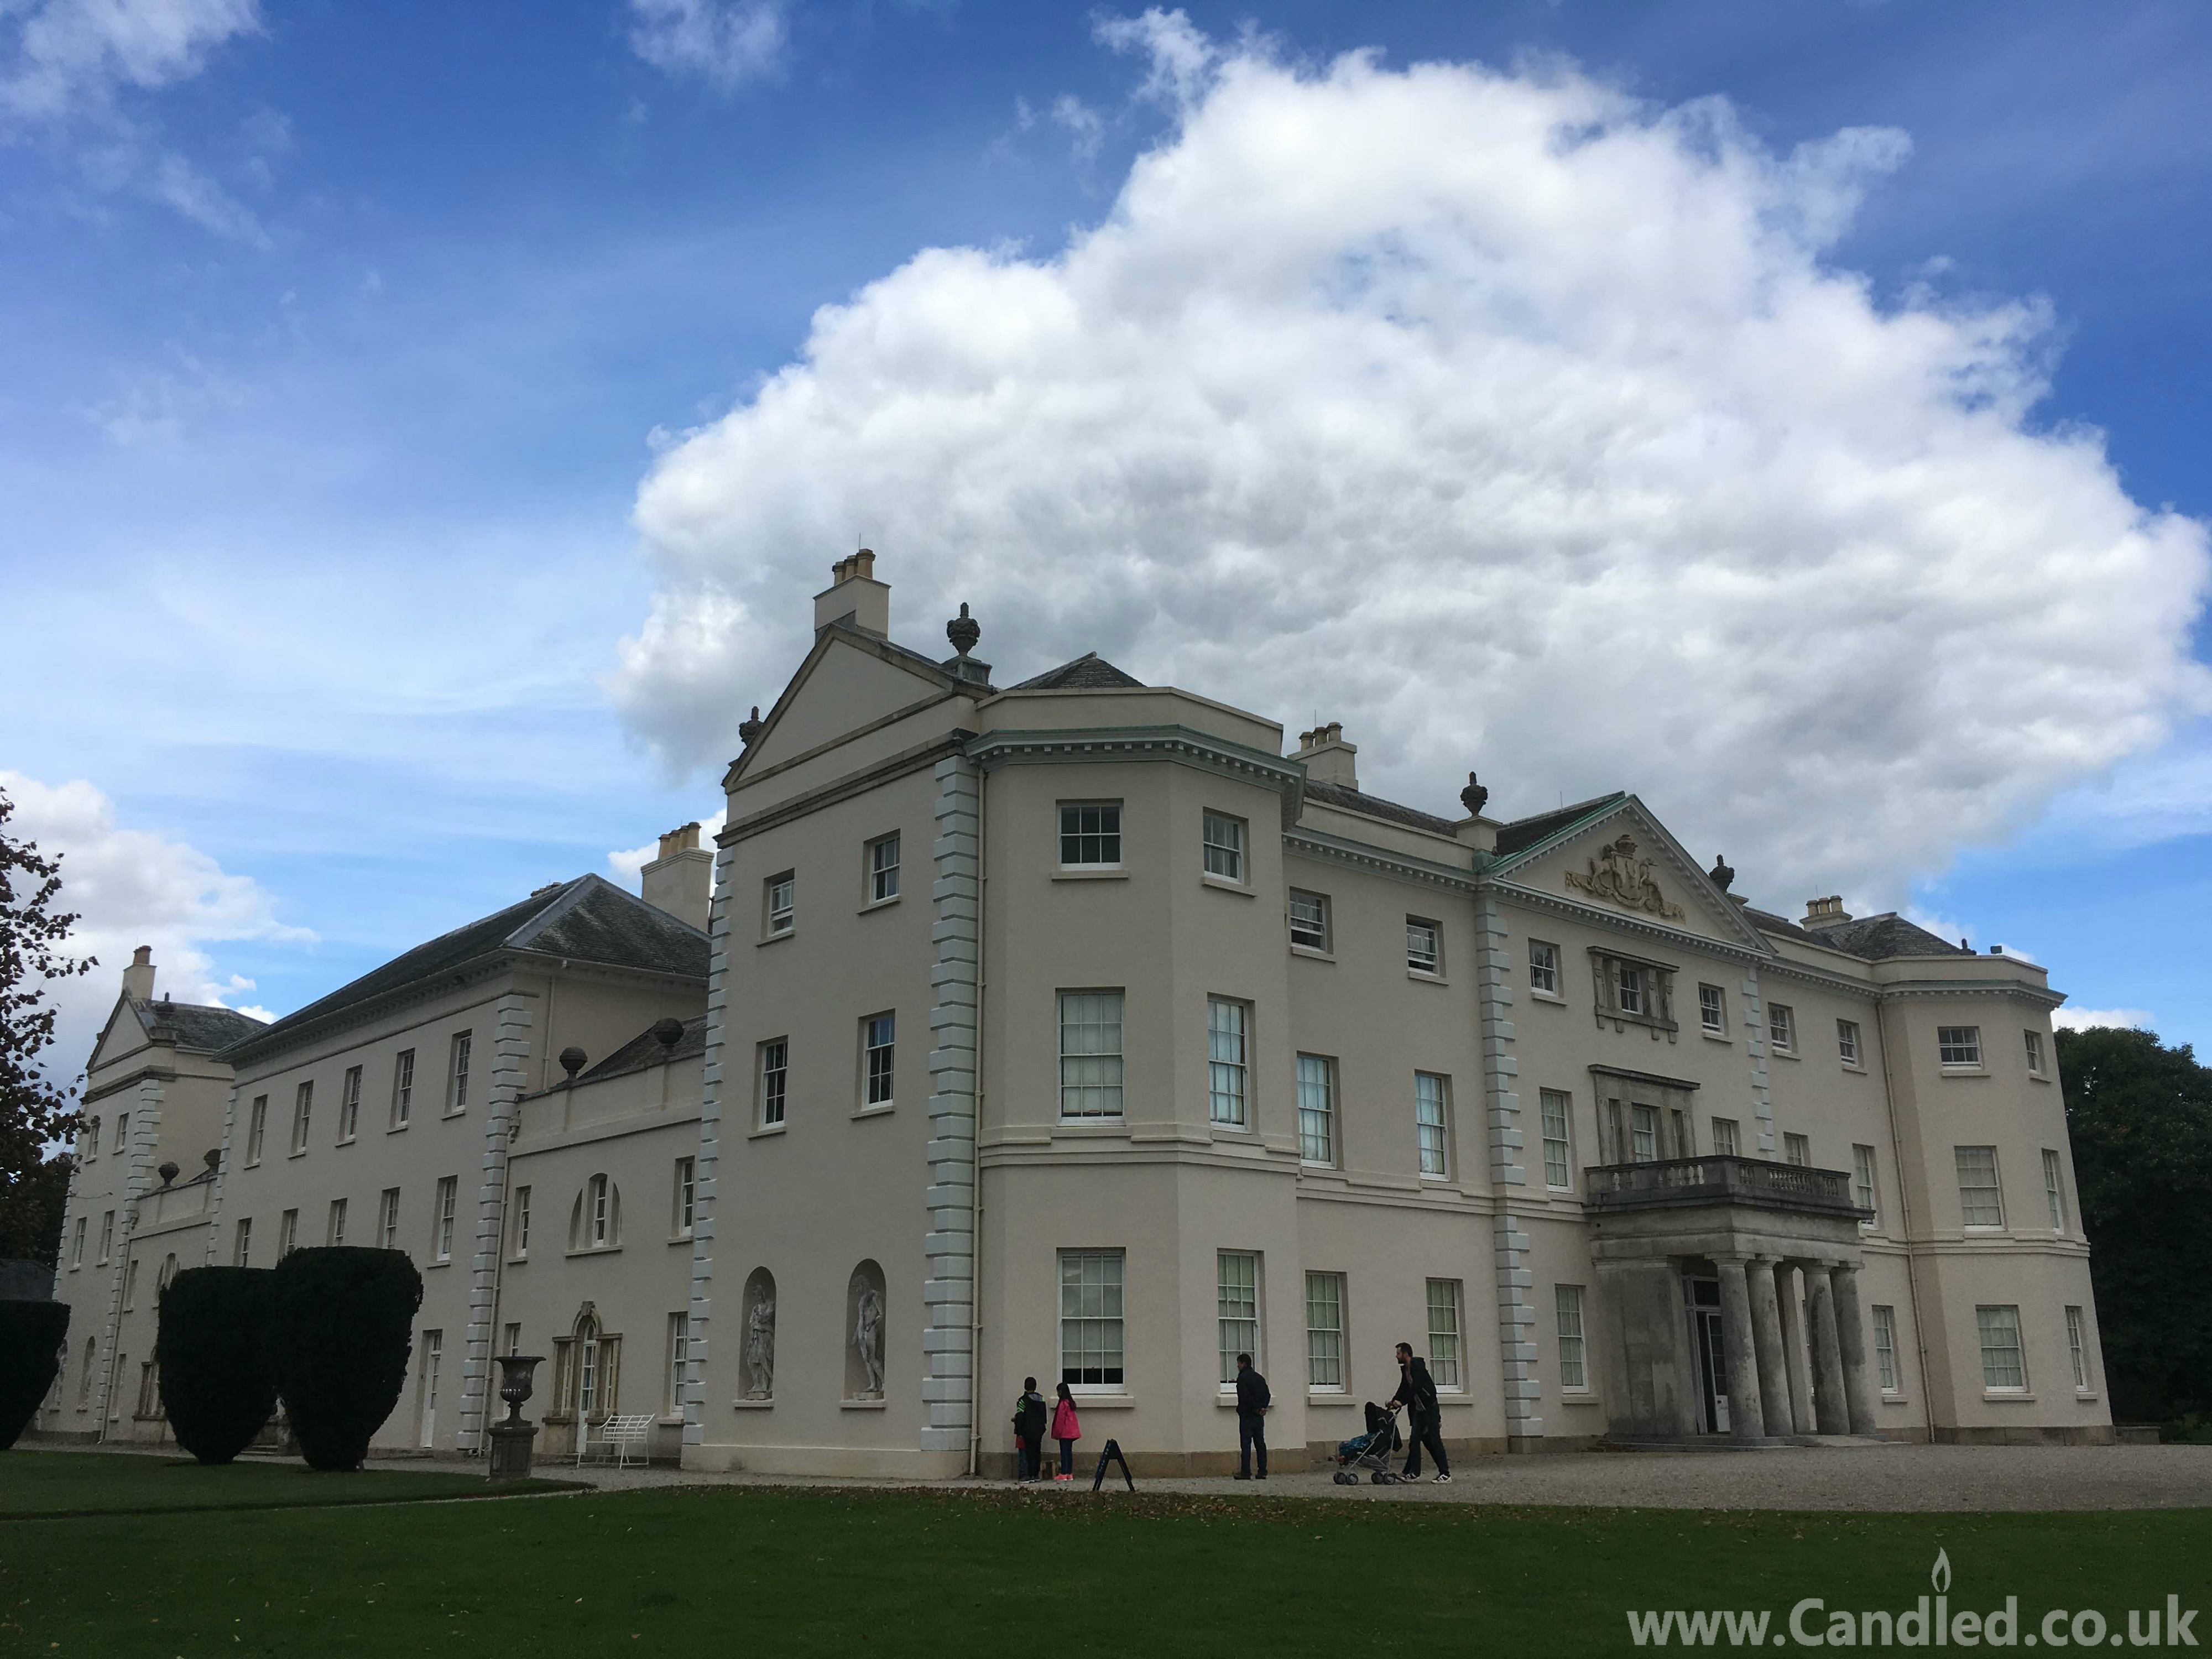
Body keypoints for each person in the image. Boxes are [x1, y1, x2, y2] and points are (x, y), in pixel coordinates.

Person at [1386, 1341, 1451, 1483]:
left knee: (1435, 1442)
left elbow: (1415, 1388)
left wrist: (1402, 1402)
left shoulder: (1418, 1367)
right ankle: (1414, 1473)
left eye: (1398, 1353)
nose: (1396, 1356)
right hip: (1419, 1411)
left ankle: (1445, 1474)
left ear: (1405, 1354)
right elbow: (1403, 1387)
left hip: (1430, 1410)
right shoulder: (1406, 1370)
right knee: (1414, 1441)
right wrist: (1394, 1402)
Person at [1233, 1352, 1271, 1480]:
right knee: (1260, 1443)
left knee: (1246, 1444)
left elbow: (1245, 1397)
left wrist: (1255, 1408)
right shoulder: (1259, 1378)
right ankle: (1263, 1471)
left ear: (1244, 1364)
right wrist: (1262, 1407)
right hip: (1259, 1416)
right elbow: (1267, 1395)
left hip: (1247, 1415)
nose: (1238, 1366)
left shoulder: (1243, 1378)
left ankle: (1246, 1472)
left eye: (1239, 1363)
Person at [1012, 1377, 1050, 1483]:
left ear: (1025, 1386)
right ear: (1035, 1386)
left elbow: (1020, 1416)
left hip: (1026, 1431)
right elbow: (1044, 1416)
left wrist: (1019, 1431)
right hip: (1039, 1430)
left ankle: (1026, 1476)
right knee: (1037, 1452)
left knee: (1026, 1454)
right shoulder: (1041, 1399)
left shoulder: (1023, 1401)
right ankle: (1035, 1475)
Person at [1050, 1382, 1082, 1481]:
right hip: (1071, 1432)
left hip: (1064, 1433)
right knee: (1069, 1453)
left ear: (1060, 1392)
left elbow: (1060, 1420)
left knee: (1064, 1453)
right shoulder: (1070, 1403)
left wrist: (1057, 1433)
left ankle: (1064, 1473)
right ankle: (1069, 1473)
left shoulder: (1063, 1404)